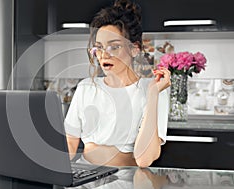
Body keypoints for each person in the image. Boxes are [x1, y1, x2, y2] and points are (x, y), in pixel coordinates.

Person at [64, 0, 171, 167]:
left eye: (114, 47)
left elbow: (144, 159)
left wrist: (152, 95)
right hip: (84, 181)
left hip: (126, 181)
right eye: (99, 47)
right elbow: (70, 143)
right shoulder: (86, 87)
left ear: (135, 49)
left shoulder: (154, 89)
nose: (104, 55)